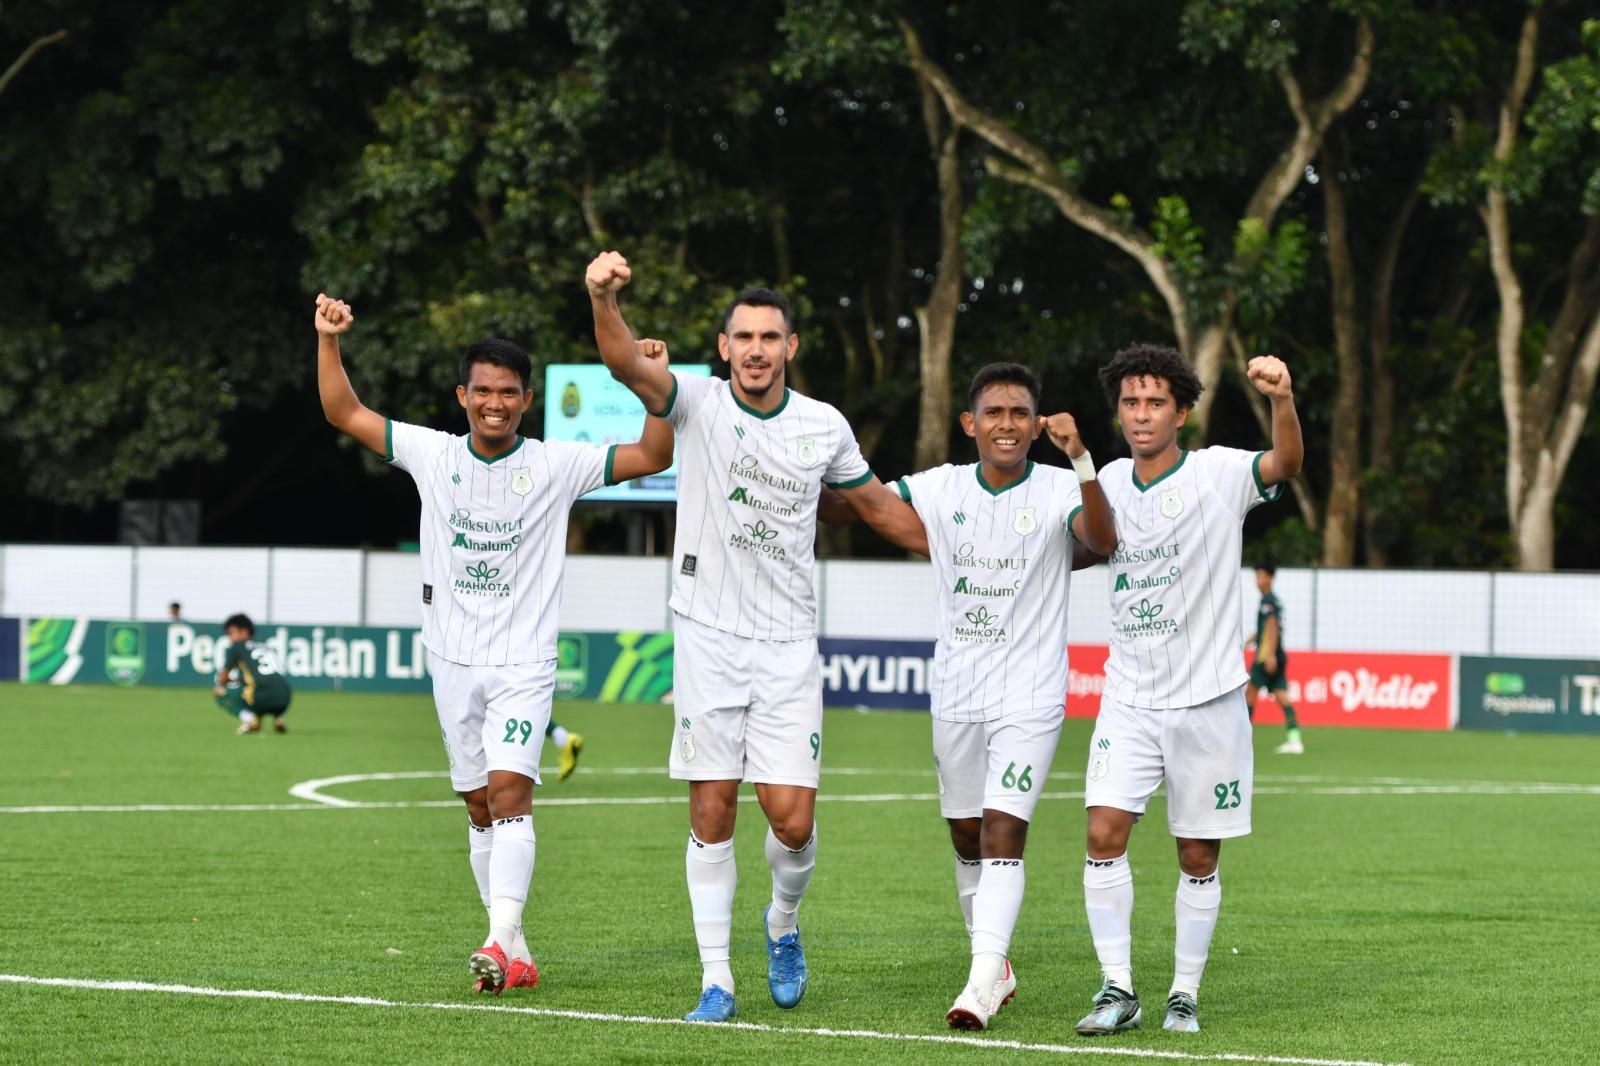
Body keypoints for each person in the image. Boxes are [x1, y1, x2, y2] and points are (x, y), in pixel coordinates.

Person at [586, 250, 925, 1023]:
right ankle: (716, 980)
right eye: (743, 337)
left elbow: (876, 508)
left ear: (791, 347)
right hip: (706, 634)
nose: (756, 350)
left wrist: (970, 551)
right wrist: (604, 296)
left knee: (793, 820)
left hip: (786, 646)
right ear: (725, 347)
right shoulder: (698, 404)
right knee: (712, 810)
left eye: (770, 337)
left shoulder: (824, 426)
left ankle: (782, 922)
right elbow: (620, 361)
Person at [313, 292, 675, 995]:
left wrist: (651, 389)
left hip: (523, 663)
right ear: (462, 395)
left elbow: (654, 452)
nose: (495, 403)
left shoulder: (556, 464)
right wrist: (328, 339)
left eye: (508, 393)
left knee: (511, 793)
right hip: (449, 659)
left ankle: (493, 937)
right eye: (483, 391)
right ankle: (517, 947)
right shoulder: (431, 453)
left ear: (527, 399)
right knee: (478, 805)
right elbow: (342, 412)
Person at [858, 363, 1118, 1030]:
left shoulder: (1062, 486)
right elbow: (870, 504)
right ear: (970, 424)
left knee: (1004, 829)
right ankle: (995, 966)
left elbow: (1103, 541)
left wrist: (1084, 461)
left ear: (1035, 426)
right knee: (966, 833)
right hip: (955, 688)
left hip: (1030, 692)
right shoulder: (940, 488)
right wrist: (816, 480)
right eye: (994, 413)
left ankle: (980, 981)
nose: (1007, 423)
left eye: (1020, 413)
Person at [1074, 343, 1301, 1037]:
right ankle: (1117, 988)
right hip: (1130, 698)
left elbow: (1285, 465)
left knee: (1197, 853)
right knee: (1102, 832)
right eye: (1131, 403)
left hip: (1209, 702)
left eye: (1155, 403)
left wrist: (1281, 400)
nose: (1141, 415)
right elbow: (1083, 542)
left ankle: (1184, 992)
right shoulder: (1106, 479)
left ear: (1183, 411)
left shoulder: (1218, 474)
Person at [1245, 564, 1303, 754]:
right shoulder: (1272, 601)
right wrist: (1248, 641)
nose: (1257, 580)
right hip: (1277, 655)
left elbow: (1272, 627)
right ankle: (1295, 739)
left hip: (1266, 658)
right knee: (1281, 695)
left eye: (1261, 576)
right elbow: (1265, 629)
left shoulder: (1268, 601)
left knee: (1249, 695)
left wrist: (1269, 654)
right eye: (1256, 576)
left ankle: (1242, 739)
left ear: (1270, 578)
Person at [213, 613, 291, 735]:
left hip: (260, 698)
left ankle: (249, 719)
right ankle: (279, 717)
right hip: (285, 699)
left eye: (231, 633)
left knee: (219, 691)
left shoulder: (237, 647)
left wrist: (226, 682)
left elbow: (223, 678)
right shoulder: (265, 647)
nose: (230, 638)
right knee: (257, 686)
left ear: (244, 631)